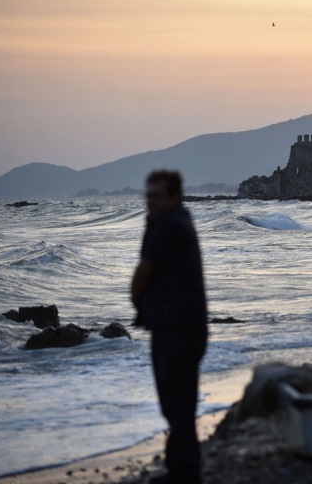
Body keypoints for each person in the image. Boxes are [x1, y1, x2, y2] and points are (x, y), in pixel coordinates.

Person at [131, 170, 208, 484]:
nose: (151, 201)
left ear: (175, 196)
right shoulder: (176, 221)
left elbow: (144, 271)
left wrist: (137, 302)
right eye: (148, 195)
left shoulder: (169, 226)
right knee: (178, 403)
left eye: (157, 195)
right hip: (181, 326)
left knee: (177, 404)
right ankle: (182, 469)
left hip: (177, 329)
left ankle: (185, 473)